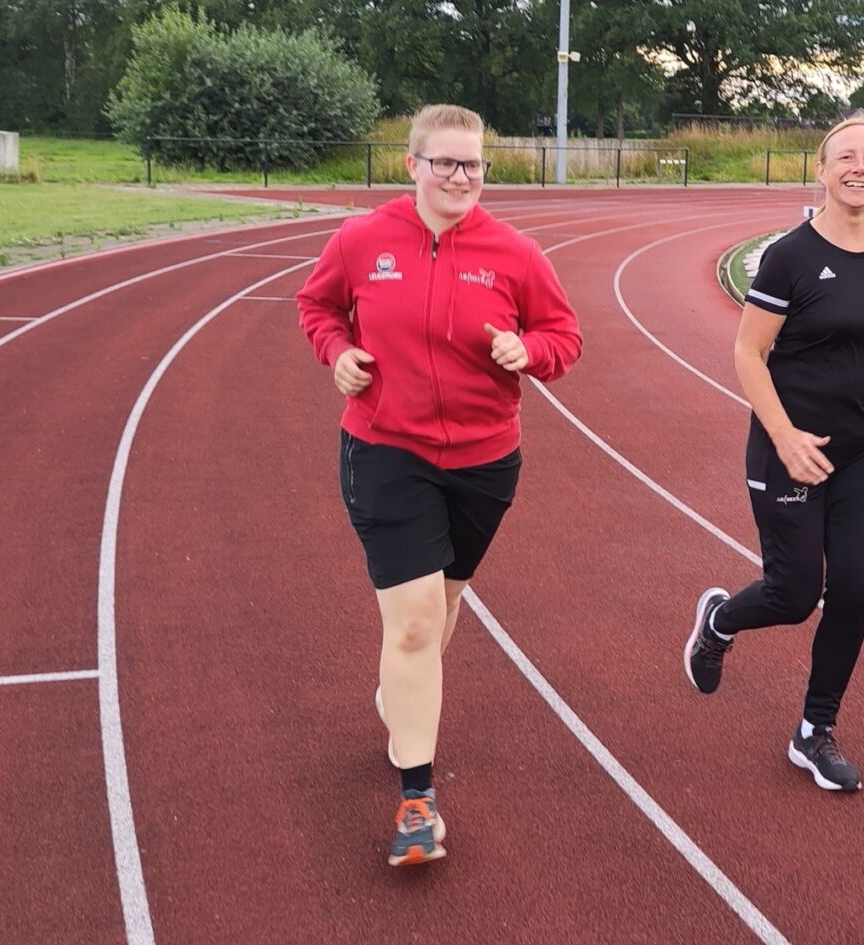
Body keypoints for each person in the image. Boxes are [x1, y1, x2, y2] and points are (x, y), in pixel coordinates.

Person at [297, 104, 582, 866]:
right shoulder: (362, 240)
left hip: (487, 462)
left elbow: (565, 335)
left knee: (445, 601)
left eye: (474, 164)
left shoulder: (515, 252)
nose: (461, 177)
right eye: (445, 163)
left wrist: (530, 351)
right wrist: (337, 354)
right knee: (418, 620)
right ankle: (416, 799)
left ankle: (403, 692)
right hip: (387, 448)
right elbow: (317, 305)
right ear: (412, 166)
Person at [683, 115, 864, 792]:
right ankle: (718, 621)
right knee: (795, 593)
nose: (860, 167)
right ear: (822, 170)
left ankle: (814, 731)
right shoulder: (790, 256)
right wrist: (785, 435)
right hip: (790, 447)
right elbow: (747, 352)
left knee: (855, 587)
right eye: (846, 157)